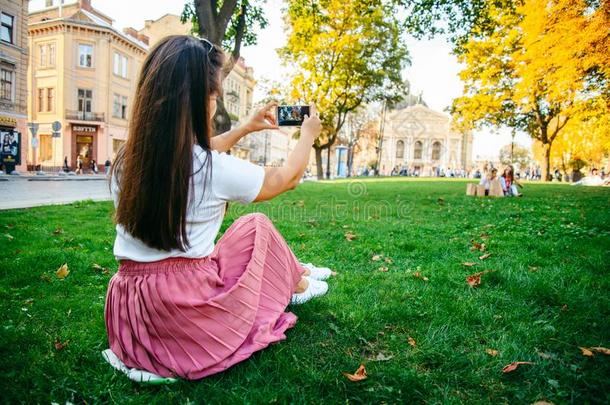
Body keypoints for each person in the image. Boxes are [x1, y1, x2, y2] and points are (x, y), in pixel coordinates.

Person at [103, 36, 333, 384]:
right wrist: (307, 135)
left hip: (133, 305)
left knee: (246, 231)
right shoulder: (210, 169)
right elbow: (285, 179)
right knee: (255, 226)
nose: (214, 104)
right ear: (199, 102)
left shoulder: (129, 159)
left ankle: (298, 274)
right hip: (186, 307)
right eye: (214, 96)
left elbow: (190, 151)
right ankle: (295, 283)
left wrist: (243, 128)